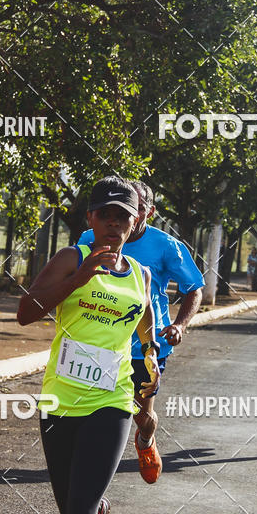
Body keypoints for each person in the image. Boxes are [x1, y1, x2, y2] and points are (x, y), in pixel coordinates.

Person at [17, 176, 160, 514]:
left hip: (112, 400)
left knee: (79, 512)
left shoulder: (140, 275)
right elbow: (25, 312)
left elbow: (146, 332)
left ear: (136, 223)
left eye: (125, 216)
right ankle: (94, 508)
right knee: (71, 507)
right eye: (107, 215)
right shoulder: (69, 258)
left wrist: (148, 385)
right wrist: (78, 279)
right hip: (60, 401)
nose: (115, 223)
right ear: (91, 219)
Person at [78, 180, 204, 484]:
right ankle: (93, 490)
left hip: (146, 346)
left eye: (136, 208)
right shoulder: (90, 237)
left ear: (148, 211)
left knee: (141, 415)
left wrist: (179, 325)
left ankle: (146, 439)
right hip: (103, 343)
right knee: (99, 418)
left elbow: (194, 288)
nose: (123, 217)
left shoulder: (167, 245)